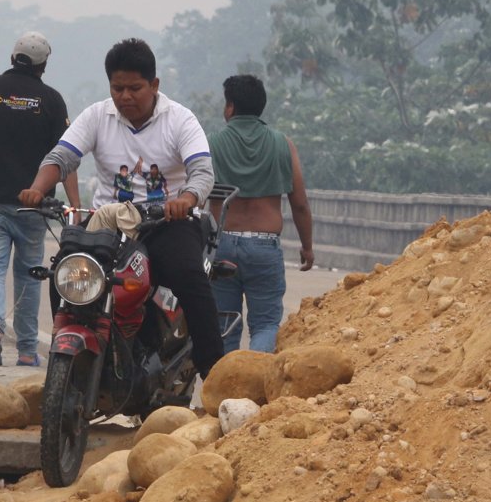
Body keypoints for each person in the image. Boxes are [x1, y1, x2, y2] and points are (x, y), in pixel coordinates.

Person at [18, 37, 226, 378]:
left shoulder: (180, 120)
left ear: (154, 85)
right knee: (65, 270)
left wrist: (186, 201)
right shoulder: (98, 116)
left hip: (166, 223)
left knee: (190, 277)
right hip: (108, 227)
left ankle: (214, 372)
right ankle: (73, 363)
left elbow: (202, 171)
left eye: (135, 88)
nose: (125, 96)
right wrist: (37, 188)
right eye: (117, 88)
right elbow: (62, 157)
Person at [0, 32, 79, 368]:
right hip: (33, 205)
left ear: (13, 58)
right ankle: (26, 350)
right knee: (28, 273)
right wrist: (75, 207)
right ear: (44, 65)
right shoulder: (51, 100)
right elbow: (66, 158)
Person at [207, 74, 314, 353]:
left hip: (223, 246)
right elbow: (300, 203)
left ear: (230, 107)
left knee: (224, 324)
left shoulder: (212, 144)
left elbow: (194, 193)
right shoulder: (282, 144)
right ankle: (254, 388)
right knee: (266, 324)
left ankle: (225, 389)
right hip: (264, 247)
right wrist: (307, 247)